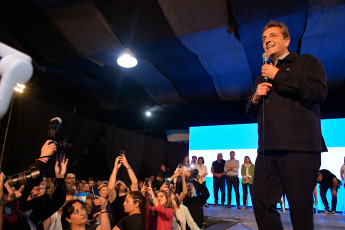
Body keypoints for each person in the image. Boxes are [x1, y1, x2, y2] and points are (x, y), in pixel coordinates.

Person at [246, 21, 327, 230]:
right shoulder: (261, 75)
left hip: (298, 148)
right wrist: (255, 98)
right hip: (267, 149)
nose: (267, 41)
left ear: (287, 40)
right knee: (261, 201)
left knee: (300, 208)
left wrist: (279, 76)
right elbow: (251, 112)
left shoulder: (306, 62)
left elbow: (318, 92)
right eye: (264, 39)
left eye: (272, 36)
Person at [108, 154, 138, 227]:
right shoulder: (115, 199)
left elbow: (135, 182)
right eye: (118, 184)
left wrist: (127, 165)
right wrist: (115, 168)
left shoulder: (131, 195)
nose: (121, 184)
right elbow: (110, 188)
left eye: (122, 182)